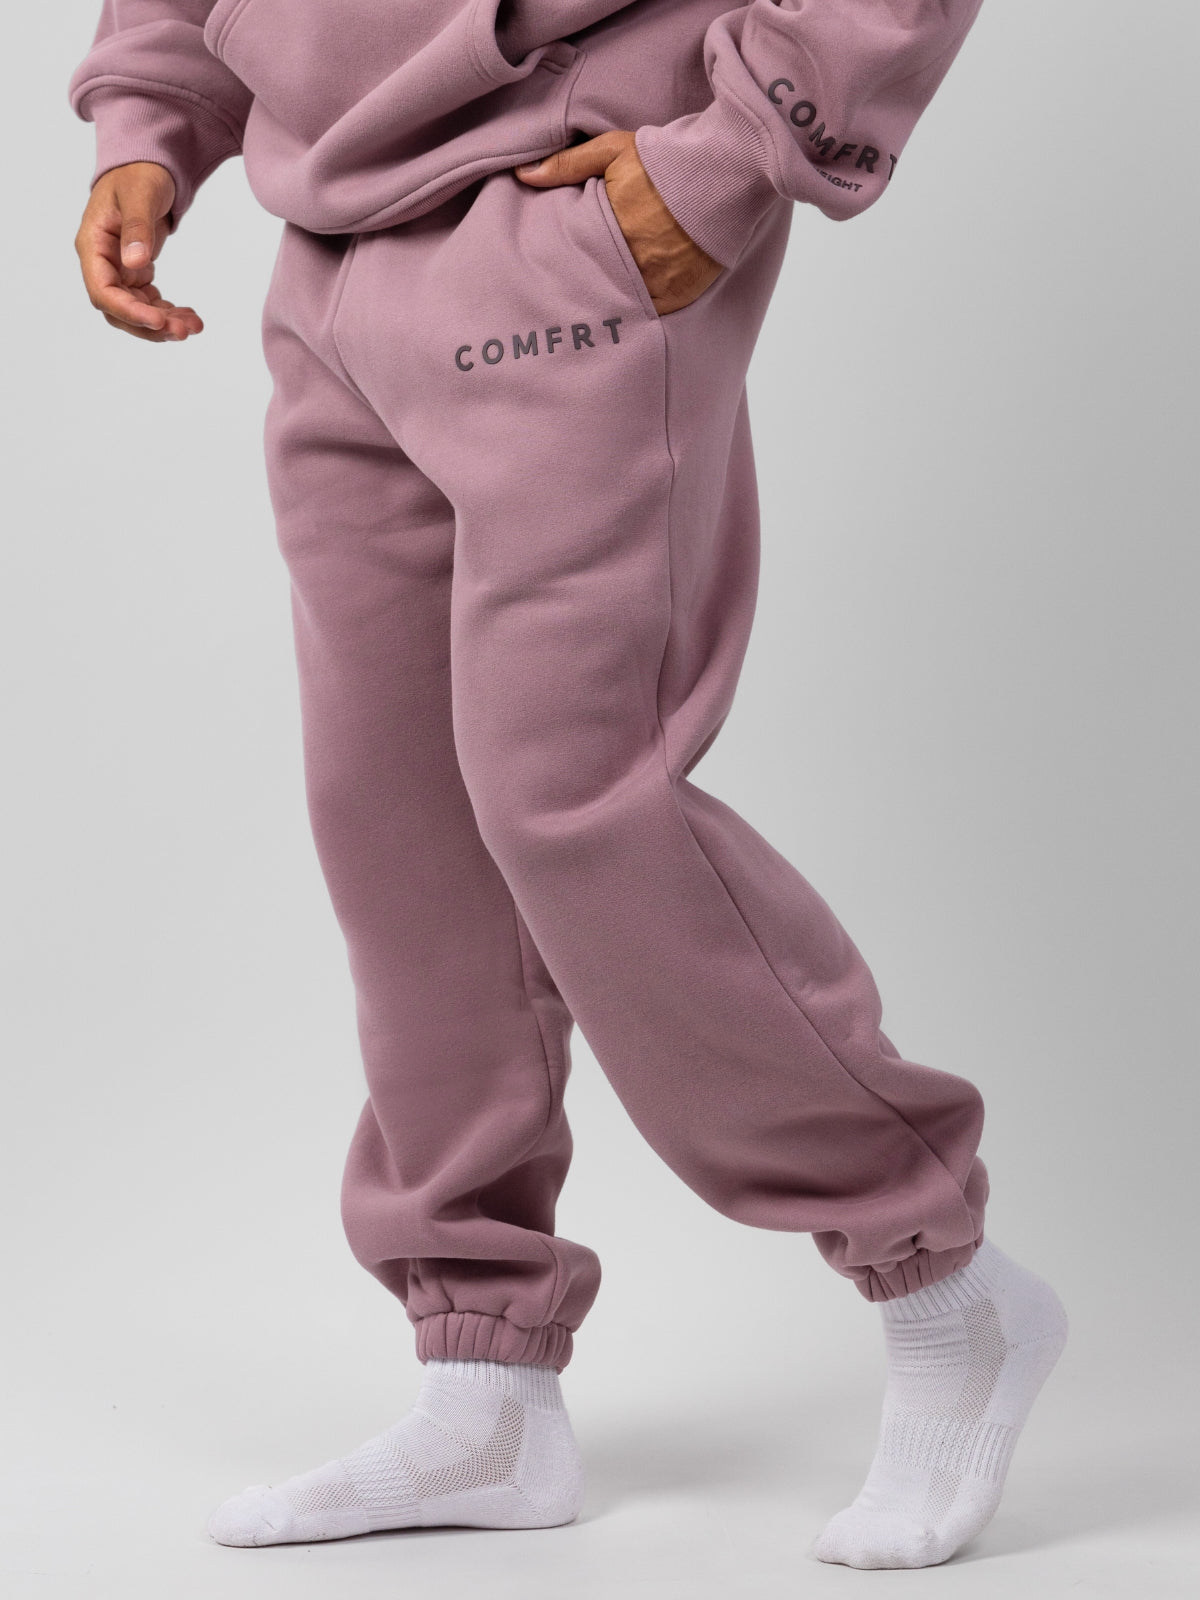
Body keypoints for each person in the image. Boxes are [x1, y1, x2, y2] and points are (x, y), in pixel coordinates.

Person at [68, 0, 1068, 1570]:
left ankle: (940, 1275)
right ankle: (484, 1386)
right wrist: (153, 115)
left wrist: (736, 152)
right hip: (325, 250)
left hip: (565, 206)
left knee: (575, 801)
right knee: (399, 827)